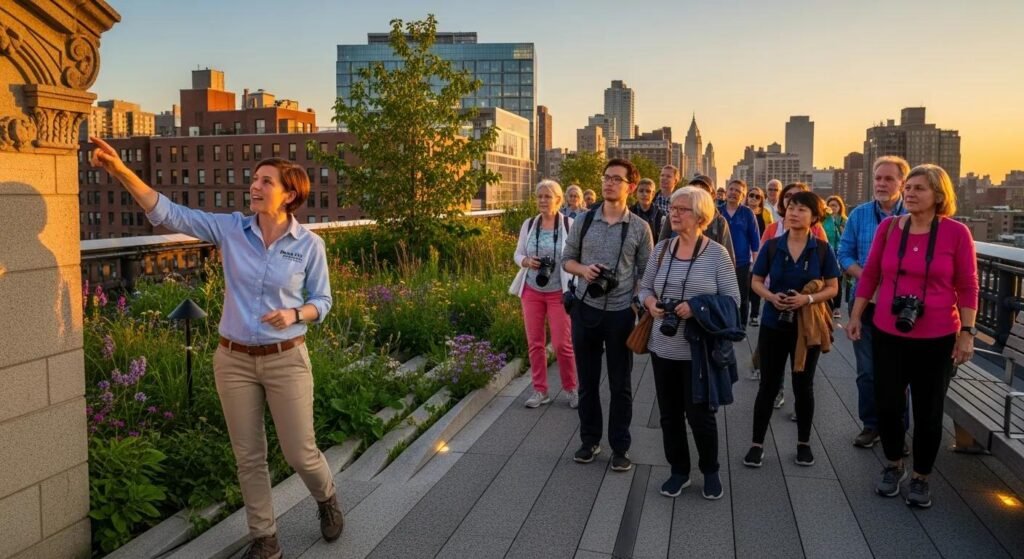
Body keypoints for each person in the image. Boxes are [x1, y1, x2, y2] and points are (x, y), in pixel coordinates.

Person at [88, 136, 342, 558]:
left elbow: (323, 301)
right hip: (234, 360)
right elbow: (169, 212)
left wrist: (296, 315)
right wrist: (120, 171)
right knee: (248, 456)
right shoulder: (230, 229)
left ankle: (327, 497)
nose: (254, 187)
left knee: (300, 452)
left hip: (286, 360)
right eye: (254, 179)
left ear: (290, 194)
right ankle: (265, 539)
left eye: (266, 181)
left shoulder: (308, 245)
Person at [847, 164, 978, 508]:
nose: (910, 193)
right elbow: (871, 273)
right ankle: (893, 464)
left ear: (939, 195)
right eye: (910, 187)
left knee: (928, 410)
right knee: (888, 403)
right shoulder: (889, 229)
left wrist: (967, 332)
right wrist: (857, 315)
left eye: (920, 188)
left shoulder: (956, 233)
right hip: (889, 331)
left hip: (937, 337)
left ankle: (921, 476)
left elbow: (967, 285)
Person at [638, 186, 740, 500]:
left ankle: (710, 470)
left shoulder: (716, 254)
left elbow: (733, 301)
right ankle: (679, 471)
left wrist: (695, 307)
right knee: (669, 415)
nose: (674, 212)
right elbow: (643, 289)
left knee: (700, 416)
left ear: (700, 216)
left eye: (682, 208)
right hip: (662, 347)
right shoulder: (663, 248)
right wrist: (652, 303)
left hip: (697, 351)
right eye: (673, 207)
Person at [562, 158, 653, 471]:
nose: (609, 183)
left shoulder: (640, 228)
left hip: (619, 314)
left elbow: (647, 271)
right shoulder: (585, 220)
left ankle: (620, 447)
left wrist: (636, 301)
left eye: (616, 179)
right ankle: (589, 441)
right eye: (606, 177)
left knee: (620, 385)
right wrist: (585, 270)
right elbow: (566, 261)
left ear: (629, 186)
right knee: (587, 383)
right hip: (584, 310)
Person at [744, 191, 840, 469]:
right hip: (774, 323)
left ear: (814, 217)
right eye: (791, 208)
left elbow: (833, 287)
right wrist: (772, 297)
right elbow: (757, 281)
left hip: (807, 326)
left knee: (803, 385)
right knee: (768, 385)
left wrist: (806, 299)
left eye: (802, 209)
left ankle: (803, 444)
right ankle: (756, 444)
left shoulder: (822, 249)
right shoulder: (773, 246)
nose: (794, 213)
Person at [838, 156, 909, 449]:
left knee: (899, 373)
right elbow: (844, 255)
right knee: (867, 370)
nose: (881, 184)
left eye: (888, 179)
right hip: (865, 303)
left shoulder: (915, 217)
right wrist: (867, 278)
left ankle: (898, 431)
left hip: (903, 307)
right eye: (878, 178)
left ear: (902, 183)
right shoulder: (859, 215)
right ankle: (871, 425)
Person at [755, 182, 827, 405]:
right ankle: (777, 390)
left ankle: (800, 403)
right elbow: (759, 265)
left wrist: (808, 297)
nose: (794, 208)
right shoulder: (772, 232)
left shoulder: (816, 234)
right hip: (772, 298)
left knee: (803, 375)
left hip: (806, 311)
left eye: (801, 204)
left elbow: (825, 269)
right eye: (790, 200)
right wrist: (769, 294)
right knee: (771, 369)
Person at [513, 180, 579, 409]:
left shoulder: (570, 225)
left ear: (558, 200)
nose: (542, 200)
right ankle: (540, 390)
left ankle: (571, 388)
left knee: (562, 344)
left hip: (558, 292)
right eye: (539, 196)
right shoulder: (529, 224)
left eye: (547, 196)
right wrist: (525, 261)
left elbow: (576, 257)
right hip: (532, 290)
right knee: (535, 343)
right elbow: (517, 253)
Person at [658, 175, 736, 264]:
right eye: (693, 190)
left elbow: (728, 259)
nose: (698, 195)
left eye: (703, 191)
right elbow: (661, 247)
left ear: (713, 195)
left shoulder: (719, 221)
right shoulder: (673, 215)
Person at [720, 179, 761, 328]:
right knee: (721, 295)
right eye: (731, 189)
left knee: (742, 296)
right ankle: (723, 324)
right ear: (726, 191)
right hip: (720, 262)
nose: (733, 193)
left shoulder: (747, 213)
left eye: (738, 191)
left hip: (742, 262)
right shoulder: (718, 211)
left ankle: (741, 325)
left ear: (743, 195)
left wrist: (755, 266)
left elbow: (755, 241)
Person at [746, 186, 774, 328]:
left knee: (756, 283)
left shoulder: (766, 213)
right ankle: (742, 315)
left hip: (760, 252)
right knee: (744, 285)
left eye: (758, 196)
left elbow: (770, 232)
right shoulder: (742, 212)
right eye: (751, 195)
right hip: (744, 253)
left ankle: (754, 315)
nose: (754, 198)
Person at [822, 195, 849, 319]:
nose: (832, 208)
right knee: (824, 281)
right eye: (830, 205)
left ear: (840, 207)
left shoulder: (844, 220)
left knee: (837, 280)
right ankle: (826, 306)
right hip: (826, 251)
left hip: (839, 253)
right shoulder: (823, 219)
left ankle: (836, 308)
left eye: (835, 205)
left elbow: (847, 236)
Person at [630, 178, 665, 243]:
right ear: (636, 193)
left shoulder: (661, 215)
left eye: (648, 191)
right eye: (641, 191)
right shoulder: (629, 213)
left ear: (653, 194)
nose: (644, 194)